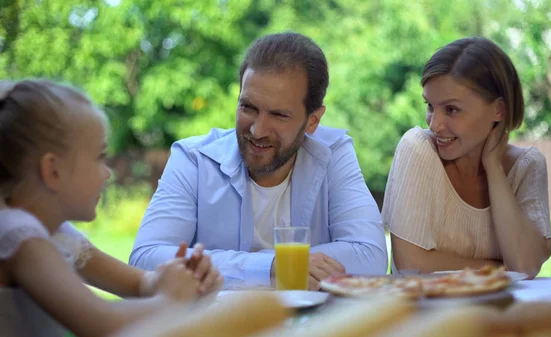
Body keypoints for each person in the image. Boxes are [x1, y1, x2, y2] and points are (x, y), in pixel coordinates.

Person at [129, 31, 388, 290]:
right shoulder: (193, 160)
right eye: (248, 108)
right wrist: (275, 266)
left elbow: (370, 256)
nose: (257, 130)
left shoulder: (334, 154)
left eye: (279, 115)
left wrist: (231, 269)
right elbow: (145, 259)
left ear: (313, 121)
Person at [0, 79, 223, 337]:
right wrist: (172, 301)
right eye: (100, 157)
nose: (107, 173)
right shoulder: (19, 236)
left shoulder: (56, 232)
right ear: (53, 170)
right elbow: (103, 325)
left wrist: (178, 280)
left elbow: (139, 284)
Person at [382, 37, 551, 279]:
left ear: (499, 110)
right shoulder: (418, 149)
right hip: (423, 314)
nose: (435, 124)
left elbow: (525, 264)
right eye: (430, 106)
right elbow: (412, 264)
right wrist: (501, 269)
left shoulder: (526, 166)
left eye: (451, 109)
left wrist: (493, 167)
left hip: (499, 316)